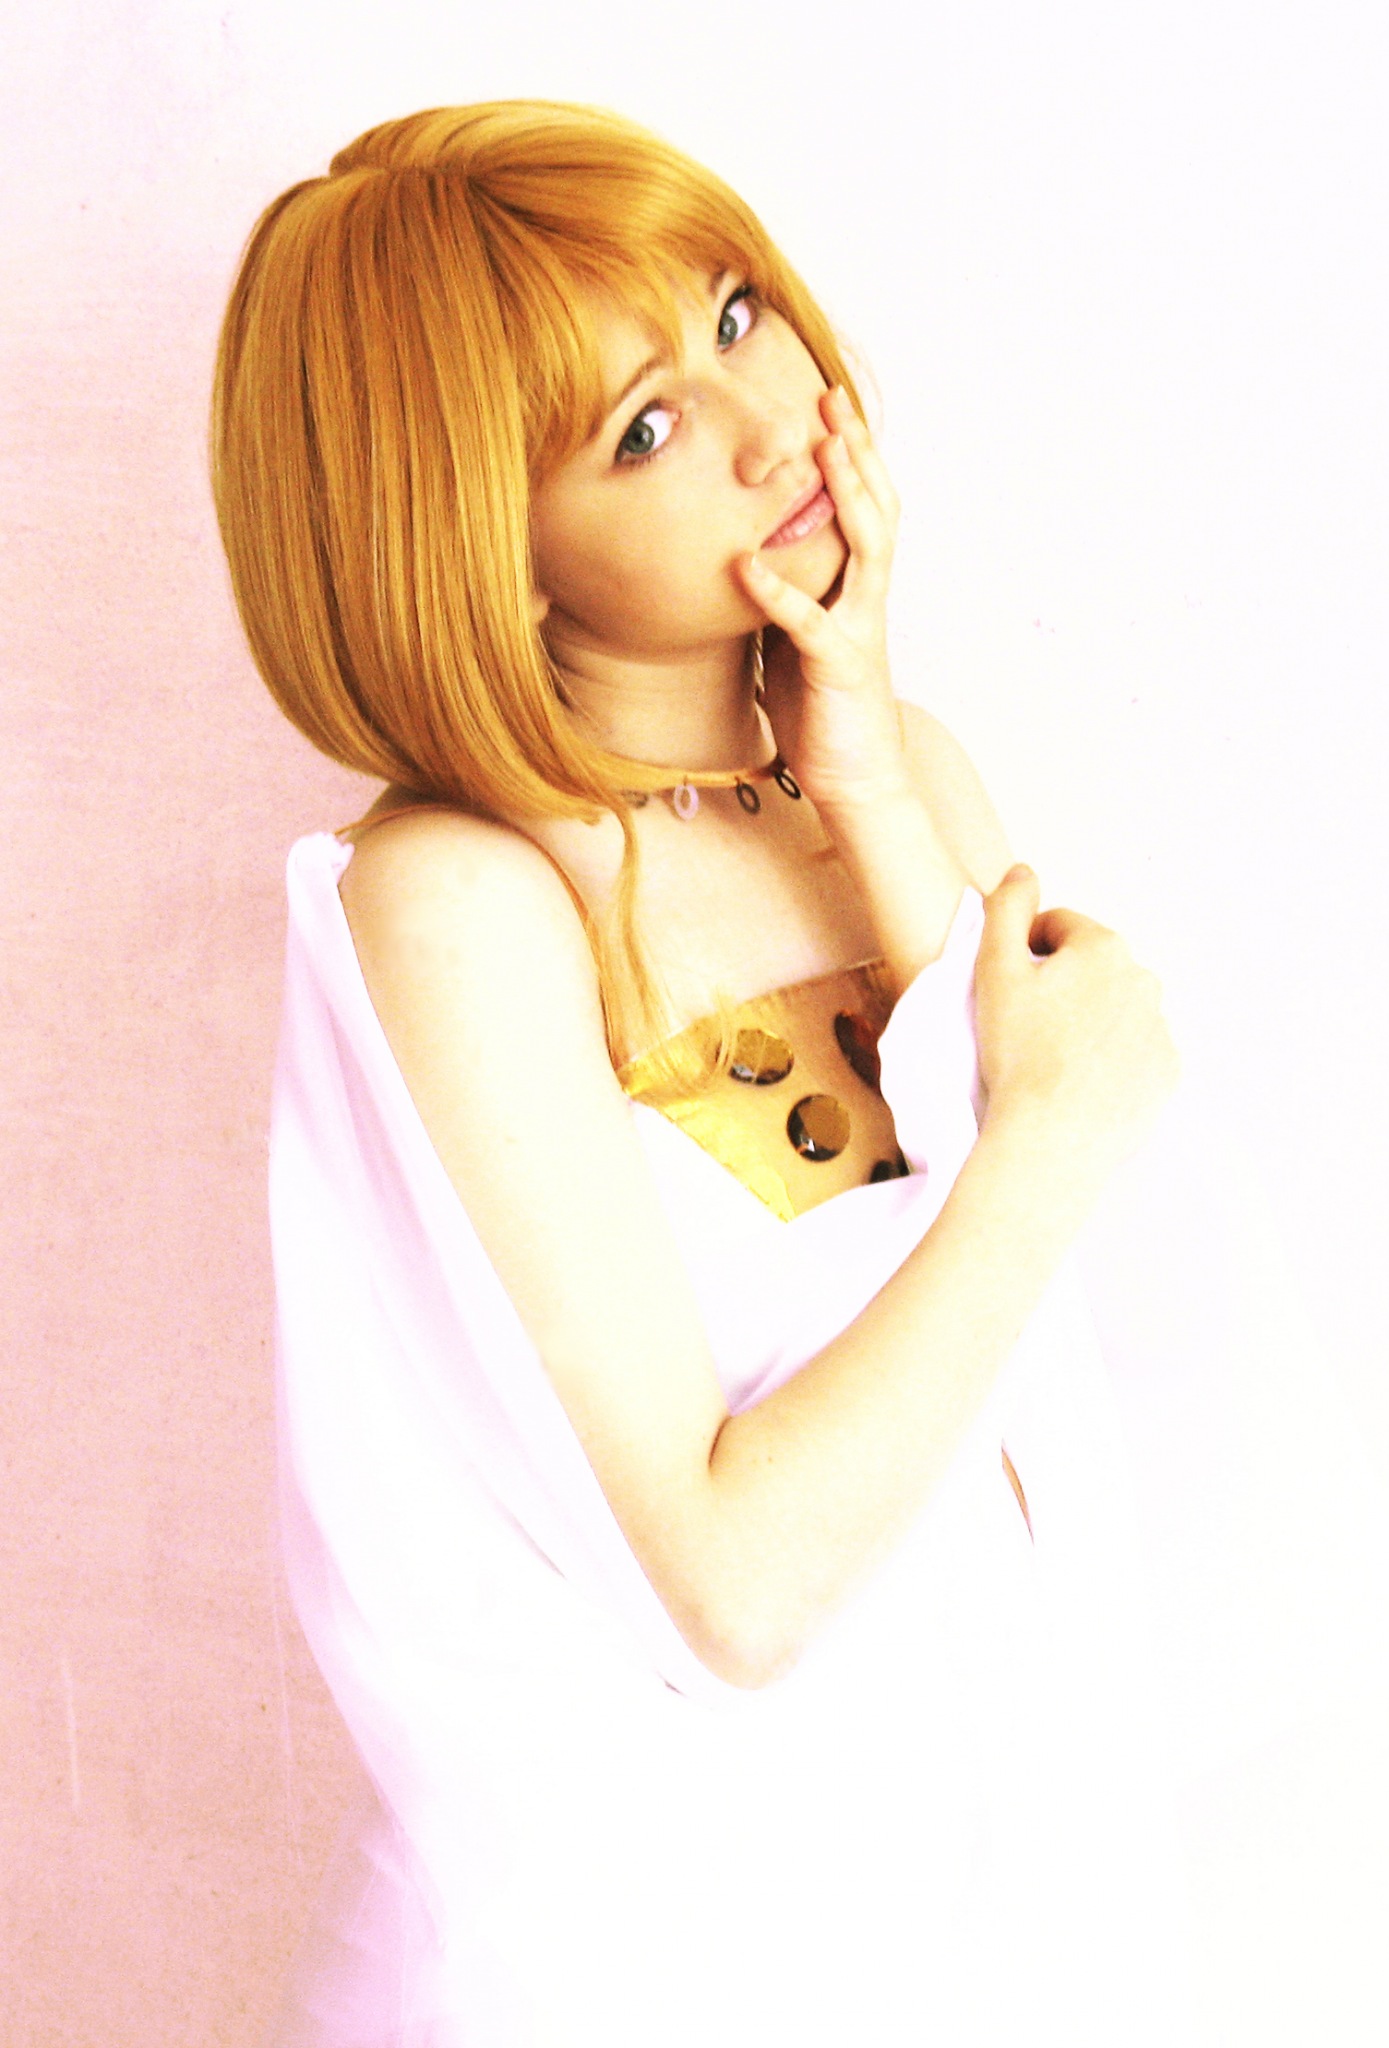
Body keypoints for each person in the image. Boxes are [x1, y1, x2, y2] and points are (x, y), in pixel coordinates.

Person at [216, 100, 1204, 2046]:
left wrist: (867, 777)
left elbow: (1035, 1401)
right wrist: (1051, 1136)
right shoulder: (463, 902)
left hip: (992, 1879)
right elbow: (733, 1592)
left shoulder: (896, 772)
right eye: (645, 429)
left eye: (738, 312)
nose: (768, 428)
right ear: (482, 550)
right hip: (674, 1943)